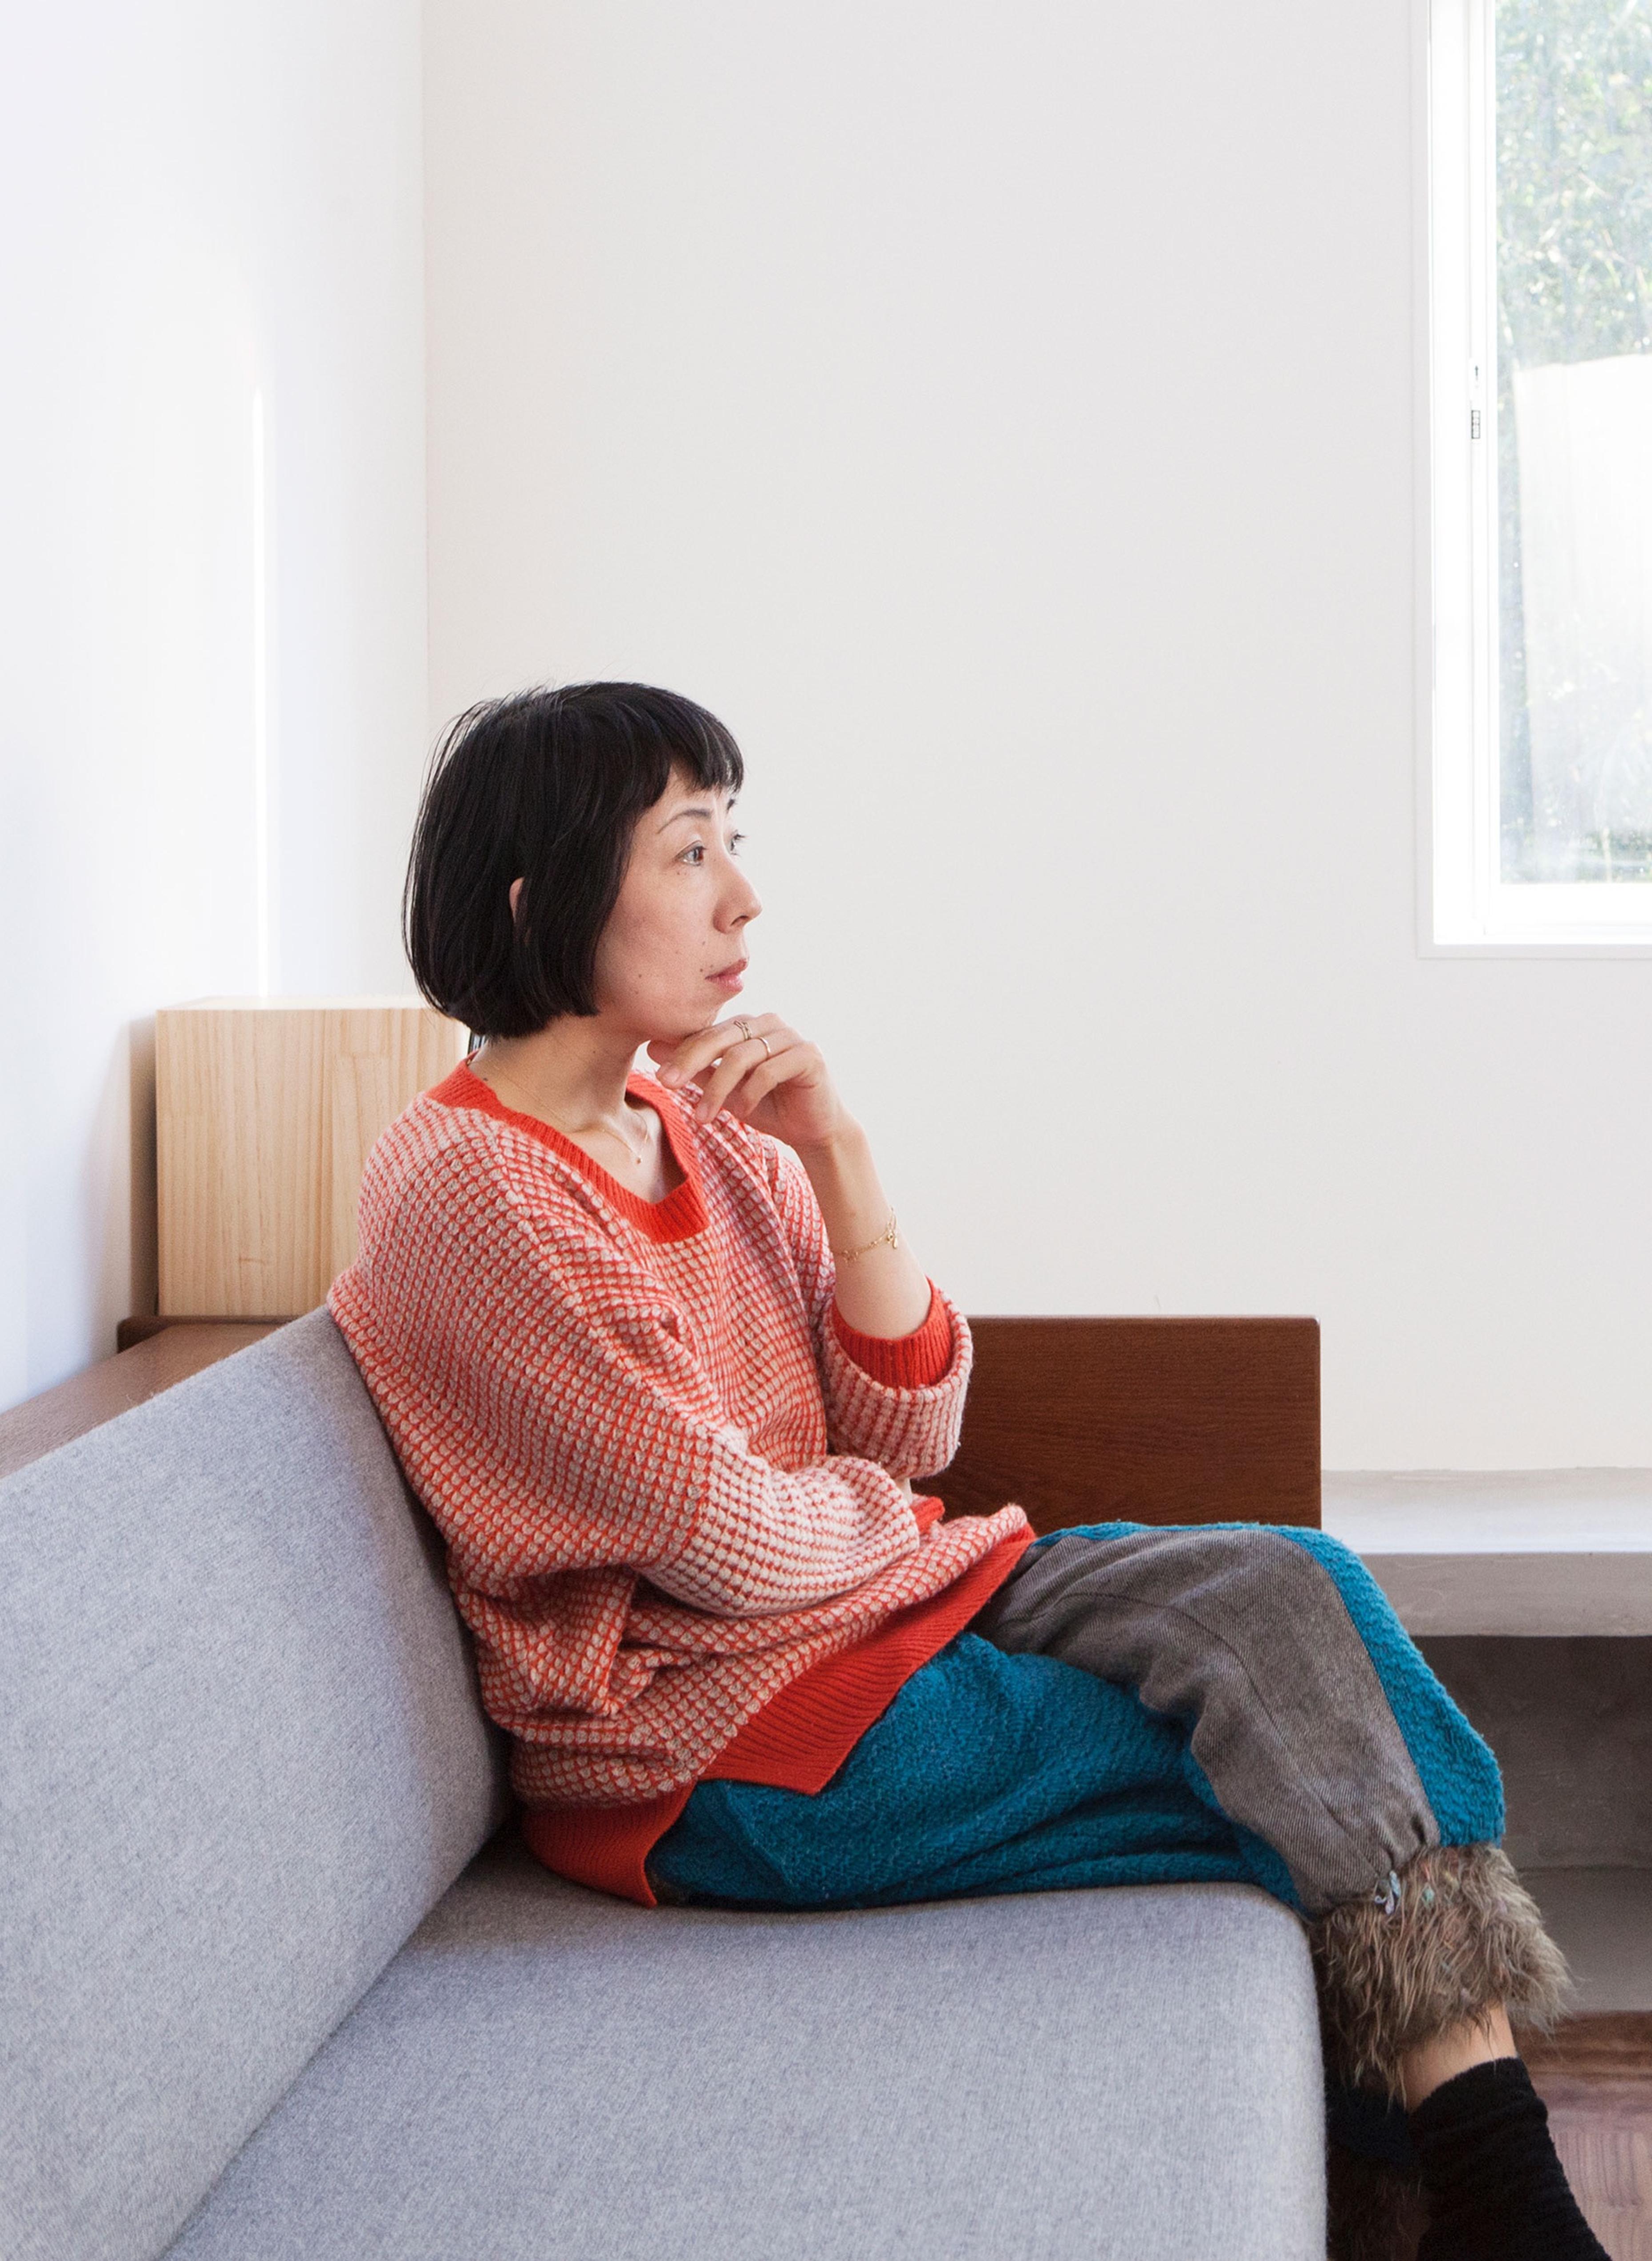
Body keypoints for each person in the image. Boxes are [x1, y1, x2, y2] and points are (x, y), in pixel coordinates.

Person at [330, 682, 1603, 2261]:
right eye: (687, 852)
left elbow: (905, 1438)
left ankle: (1465, 2198)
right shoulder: (468, 1195)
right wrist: (882, 1531)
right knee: (1293, 1763)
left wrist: (837, 1154)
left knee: (1301, 1589)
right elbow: (728, 1545)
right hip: (715, 1752)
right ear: (541, 901)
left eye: (734, 840)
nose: (743, 894)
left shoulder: (708, 1126)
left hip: (887, 1621)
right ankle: (1488, 2196)